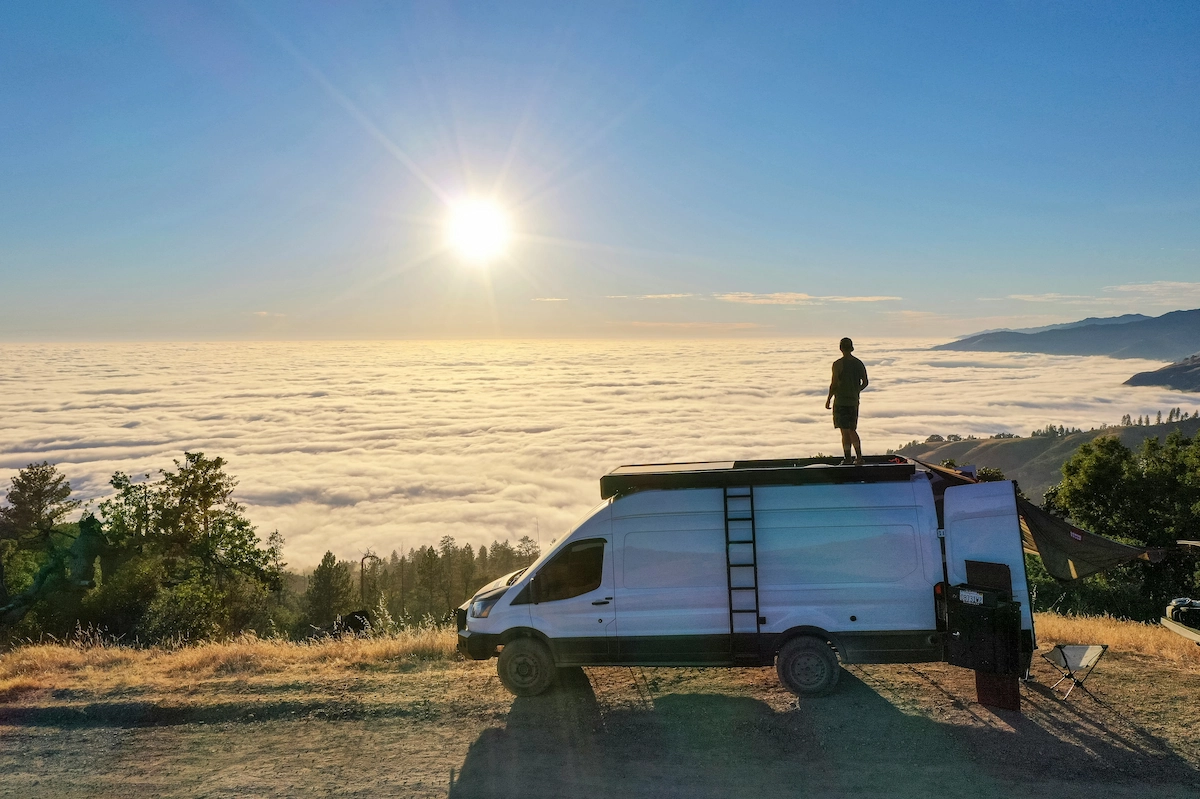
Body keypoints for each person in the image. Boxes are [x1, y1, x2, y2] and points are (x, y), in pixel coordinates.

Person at [825, 337, 869, 466]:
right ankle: (859, 457)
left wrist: (829, 399)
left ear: (840, 348)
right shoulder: (858, 363)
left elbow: (834, 384)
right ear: (851, 347)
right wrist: (856, 391)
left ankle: (848, 458)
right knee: (851, 429)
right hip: (854, 402)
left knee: (844, 430)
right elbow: (865, 382)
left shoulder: (838, 364)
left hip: (841, 401)